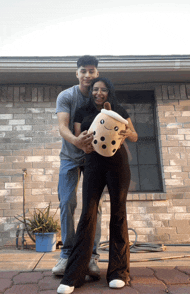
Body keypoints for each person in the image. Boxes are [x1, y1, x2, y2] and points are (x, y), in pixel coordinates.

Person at [57, 77, 138, 294]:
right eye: (95, 89)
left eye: (103, 89)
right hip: (92, 164)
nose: (98, 93)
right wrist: (82, 139)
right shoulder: (82, 110)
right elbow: (77, 136)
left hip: (118, 164)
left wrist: (127, 133)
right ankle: (74, 273)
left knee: (118, 213)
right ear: (91, 91)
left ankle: (119, 271)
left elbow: (135, 135)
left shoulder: (118, 108)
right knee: (88, 214)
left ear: (108, 91)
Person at [53, 55, 103, 277]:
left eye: (91, 71)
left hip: (94, 158)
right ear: (77, 74)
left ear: (97, 74)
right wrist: (76, 142)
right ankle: (66, 254)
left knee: (95, 206)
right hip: (70, 157)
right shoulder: (66, 96)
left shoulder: (100, 96)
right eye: (83, 71)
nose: (87, 75)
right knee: (67, 202)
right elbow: (62, 126)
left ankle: (92, 256)